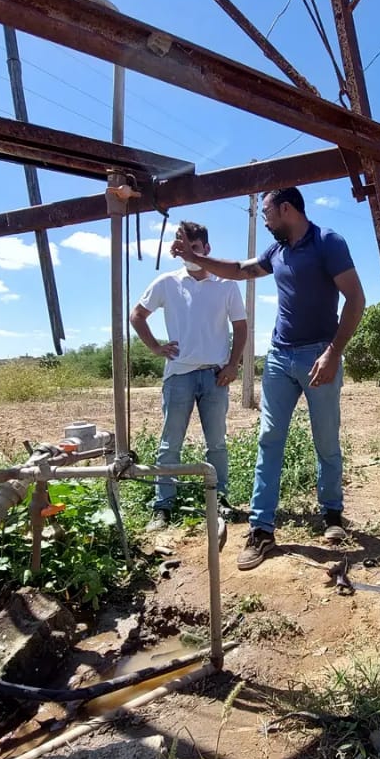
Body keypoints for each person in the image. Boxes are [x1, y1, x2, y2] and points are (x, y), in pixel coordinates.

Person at [170, 187, 365, 572]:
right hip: (279, 357)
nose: (264, 219)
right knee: (269, 439)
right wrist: (194, 257)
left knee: (325, 437)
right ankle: (262, 529)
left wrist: (333, 352)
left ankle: (332, 516)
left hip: (318, 357)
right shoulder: (277, 252)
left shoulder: (328, 242)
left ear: (287, 209)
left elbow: (356, 299)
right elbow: (241, 271)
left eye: (267, 212)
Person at [130, 221, 248, 533]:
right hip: (178, 375)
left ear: (207, 248)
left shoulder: (226, 284)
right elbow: (137, 315)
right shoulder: (168, 282)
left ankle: (220, 498)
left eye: (194, 248)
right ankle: (163, 506)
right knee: (170, 444)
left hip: (214, 376)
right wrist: (155, 347)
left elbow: (241, 326)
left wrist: (233, 365)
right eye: (183, 249)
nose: (189, 255)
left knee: (217, 444)